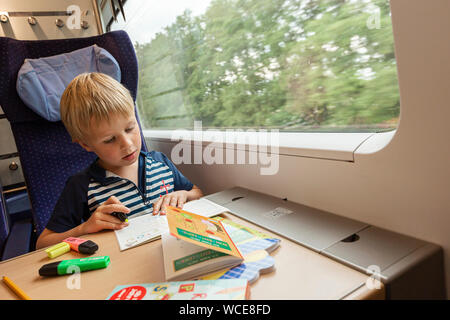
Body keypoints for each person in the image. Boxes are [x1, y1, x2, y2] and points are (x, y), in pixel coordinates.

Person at [36, 72, 203, 249]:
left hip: (175, 249)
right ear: (86, 144)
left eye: (130, 128)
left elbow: (197, 193)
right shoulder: (81, 186)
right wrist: (85, 228)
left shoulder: (160, 162)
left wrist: (184, 195)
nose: (127, 144)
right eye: (110, 140)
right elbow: (42, 243)